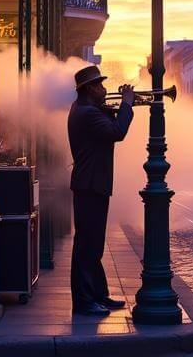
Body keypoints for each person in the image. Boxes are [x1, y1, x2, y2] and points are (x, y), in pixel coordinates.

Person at [67, 66, 134, 317]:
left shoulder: (86, 110)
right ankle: (85, 301)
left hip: (91, 184)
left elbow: (106, 124)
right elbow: (118, 132)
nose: (105, 90)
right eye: (101, 86)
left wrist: (117, 108)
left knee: (93, 244)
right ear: (91, 89)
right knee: (87, 245)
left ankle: (98, 294)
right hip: (90, 185)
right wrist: (127, 104)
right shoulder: (87, 113)